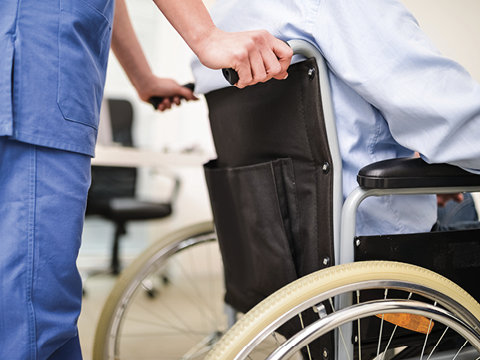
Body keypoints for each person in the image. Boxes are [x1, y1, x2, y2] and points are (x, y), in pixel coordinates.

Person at [0, 0, 292, 358]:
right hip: (31, 83)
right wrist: (207, 37)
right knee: (29, 314)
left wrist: (143, 78)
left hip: (29, 79)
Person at [191, 0, 480, 236]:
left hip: (282, 254)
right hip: (374, 244)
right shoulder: (330, 6)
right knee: (463, 198)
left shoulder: (219, 20)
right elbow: (454, 122)